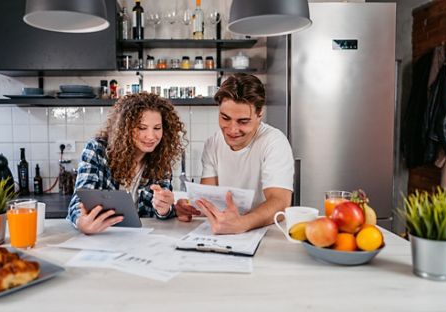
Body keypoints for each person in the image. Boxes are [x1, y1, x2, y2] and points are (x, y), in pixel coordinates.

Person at [176, 73, 294, 234]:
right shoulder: (213, 143)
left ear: (260, 114)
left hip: (265, 233)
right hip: (224, 231)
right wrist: (189, 206)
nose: (232, 130)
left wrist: (242, 223)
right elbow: (208, 198)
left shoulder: (274, 142)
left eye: (243, 121)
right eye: (225, 118)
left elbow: (280, 202)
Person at [67, 93, 186, 234]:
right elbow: (79, 200)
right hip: (105, 236)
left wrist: (164, 208)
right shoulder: (97, 150)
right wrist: (81, 222)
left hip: (143, 241)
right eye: (142, 128)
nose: (151, 136)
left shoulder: (161, 158)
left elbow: (160, 213)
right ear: (125, 128)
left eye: (157, 128)